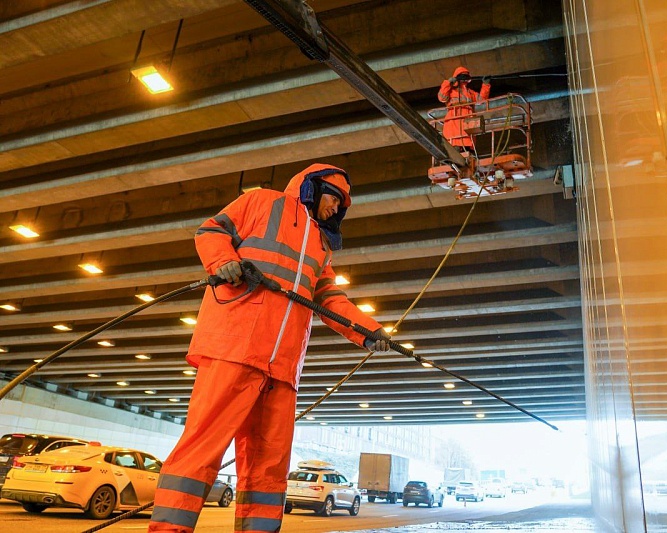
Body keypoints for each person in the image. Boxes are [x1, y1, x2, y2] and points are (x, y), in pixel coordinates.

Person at [147, 163, 390, 533]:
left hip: (282, 369)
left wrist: (369, 331)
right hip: (234, 348)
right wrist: (225, 261)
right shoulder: (262, 202)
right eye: (334, 200)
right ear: (313, 188)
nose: (335, 210)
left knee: (269, 467)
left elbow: (329, 300)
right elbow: (211, 231)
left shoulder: (321, 248)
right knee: (202, 449)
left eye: (341, 207)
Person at [437, 66, 491, 154]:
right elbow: (442, 97)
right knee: (455, 143)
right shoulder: (450, 90)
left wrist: (485, 84)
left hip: (467, 121)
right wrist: (448, 83)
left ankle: (469, 152)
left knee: (468, 145)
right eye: (462, 76)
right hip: (454, 121)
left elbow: (481, 100)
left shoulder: (470, 92)